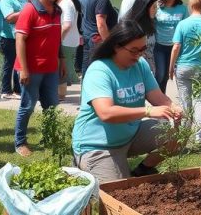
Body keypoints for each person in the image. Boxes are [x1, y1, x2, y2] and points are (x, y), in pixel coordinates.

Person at [72, 22, 183, 183]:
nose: (139, 55)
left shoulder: (140, 65)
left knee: (176, 134)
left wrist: (173, 107)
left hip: (130, 136)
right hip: (98, 146)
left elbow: (158, 97)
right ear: (117, 47)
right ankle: (84, 162)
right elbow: (106, 113)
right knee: (120, 192)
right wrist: (148, 111)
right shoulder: (100, 70)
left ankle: (143, 170)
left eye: (143, 49)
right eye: (134, 50)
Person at [14, 0, 66, 157]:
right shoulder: (29, 10)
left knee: (51, 106)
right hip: (32, 68)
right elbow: (20, 39)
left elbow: (57, 37)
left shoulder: (57, 11)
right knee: (27, 106)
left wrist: (62, 59)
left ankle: (49, 137)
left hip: (51, 67)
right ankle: (19, 142)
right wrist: (24, 69)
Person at [169, 0, 201, 140]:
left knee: (185, 102)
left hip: (183, 67)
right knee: (200, 102)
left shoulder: (182, 24)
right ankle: (199, 138)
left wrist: (171, 67)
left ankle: (184, 136)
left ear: (190, 6)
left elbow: (176, 47)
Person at [153, 0, 187, 92]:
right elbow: (149, 21)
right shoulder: (157, 6)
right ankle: (157, 98)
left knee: (168, 75)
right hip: (160, 46)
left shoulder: (182, 8)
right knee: (160, 74)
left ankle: (162, 97)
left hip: (176, 46)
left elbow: (186, 26)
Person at [0, 0, 28, 99]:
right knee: (9, 63)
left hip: (21, 36)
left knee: (19, 63)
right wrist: (26, 12)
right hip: (9, 37)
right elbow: (9, 17)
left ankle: (17, 89)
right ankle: (5, 90)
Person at [81, 0, 117, 74]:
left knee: (88, 69)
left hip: (90, 37)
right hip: (97, 40)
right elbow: (101, 23)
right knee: (96, 71)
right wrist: (108, 43)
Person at [58, 0, 82, 101]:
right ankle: (61, 94)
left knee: (61, 69)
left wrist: (58, 39)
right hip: (71, 40)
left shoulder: (66, 3)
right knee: (64, 68)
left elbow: (67, 24)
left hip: (65, 40)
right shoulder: (71, 1)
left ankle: (60, 95)